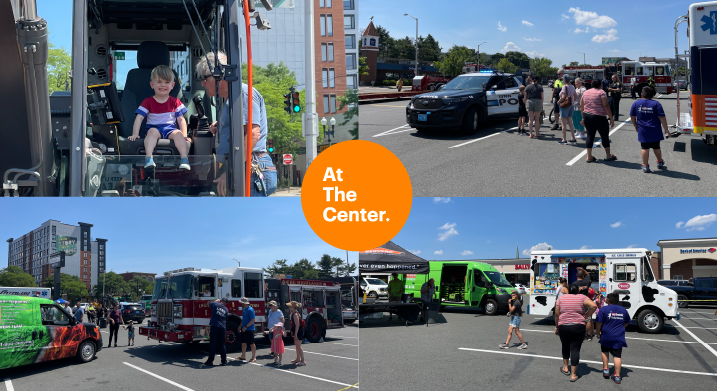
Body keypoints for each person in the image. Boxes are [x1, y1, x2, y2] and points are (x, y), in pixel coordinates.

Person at [195, 51, 277, 197]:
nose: (202, 83)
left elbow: (252, 134)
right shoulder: (230, 99)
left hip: (250, 166)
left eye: (204, 78)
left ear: (218, 75)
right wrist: (220, 127)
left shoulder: (242, 94)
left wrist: (230, 172)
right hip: (242, 165)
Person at [128, 65, 190, 170]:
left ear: (172, 85)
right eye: (159, 82)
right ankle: (149, 158)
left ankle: (184, 159)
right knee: (152, 132)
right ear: (152, 85)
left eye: (166, 82)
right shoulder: (147, 102)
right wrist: (135, 134)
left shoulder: (175, 102)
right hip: (154, 128)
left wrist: (184, 135)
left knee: (178, 134)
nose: (163, 85)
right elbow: (139, 118)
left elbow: (181, 120)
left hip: (171, 129)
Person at [555, 284, 598, 382]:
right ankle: (573, 375)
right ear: (577, 291)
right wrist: (585, 315)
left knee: (565, 346)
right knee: (575, 349)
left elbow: (557, 314)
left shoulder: (561, 298)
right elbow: (594, 306)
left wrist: (557, 326)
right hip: (578, 325)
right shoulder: (582, 297)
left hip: (563, 325)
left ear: (569, 290)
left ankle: (565, 368)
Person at [630, 86, 670, 173]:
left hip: (643, 130)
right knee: (656, 147)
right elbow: (662, 117)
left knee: (644, 147)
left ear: (641, 95)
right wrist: (666, 129)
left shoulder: (636, 104)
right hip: (655, 129)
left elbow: (632, 116)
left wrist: (635, 125)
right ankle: (659, 161)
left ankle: (645, 165)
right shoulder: (656, 104)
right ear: (653, 95)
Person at [596, 293, 630, 384]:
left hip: (606, 335)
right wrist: (620, 327)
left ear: (608, 300)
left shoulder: (603, 309)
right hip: (618, 336)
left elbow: (598, 323)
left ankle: (606, 370)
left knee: (604, 351)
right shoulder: (623, 310)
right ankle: (617, 376)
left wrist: (597, 333)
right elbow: (626, 322)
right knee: (617, 355)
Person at [580, 80, 616, 163]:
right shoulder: (602, 92)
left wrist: (583, 117)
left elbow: (582, 105)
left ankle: (589, 156)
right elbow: (606, 105)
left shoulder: (586, 92)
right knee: (604, 136)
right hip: (599, 116)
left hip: (587, 115)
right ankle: (608, 155)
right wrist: (611, 118)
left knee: (590, 136)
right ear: (600, 85)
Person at [204, 298, 228, 366]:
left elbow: (208, 303)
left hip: (215, 326)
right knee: (222, 344)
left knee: (213, 344)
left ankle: (210, 361)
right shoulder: (226, 309)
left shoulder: (215, 304)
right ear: (226, 303)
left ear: (221, 301)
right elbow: (226, 318)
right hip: (222, 327)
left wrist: (215, 301)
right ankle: (224, 361)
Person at [558, 74, 577, 145]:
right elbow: (576, 96)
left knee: (563, 123)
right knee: (570, 122)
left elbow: (563, 97)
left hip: (565, 106)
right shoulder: (572, 86)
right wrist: (571, 101)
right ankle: (573, 138)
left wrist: (558, 102)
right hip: (571, 105)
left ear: (564, 80)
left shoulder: (564, 87)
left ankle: (564, 139)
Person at [287, 301, 306, 366]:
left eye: (290, 306)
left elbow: (297, 325)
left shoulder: (295, 315)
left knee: (299, 346)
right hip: (297, 331)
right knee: (297, 346)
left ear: (293, 307)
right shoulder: (295, 313)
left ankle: (302, 360)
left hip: (298, 331)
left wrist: (295, 334)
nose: (289, 307)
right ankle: (298, 358)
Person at [238, 297, 257, 362]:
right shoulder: (244, 309)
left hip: (250, 329)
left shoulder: (250, 310)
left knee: (251, 343)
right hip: (244, 329)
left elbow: (253, 320)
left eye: (241, 303)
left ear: (244, 303)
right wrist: (240, 326)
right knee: (243, 342)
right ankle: (243, 356)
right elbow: (243, 319)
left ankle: (254, 357)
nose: (240, 304)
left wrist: (246, 326)